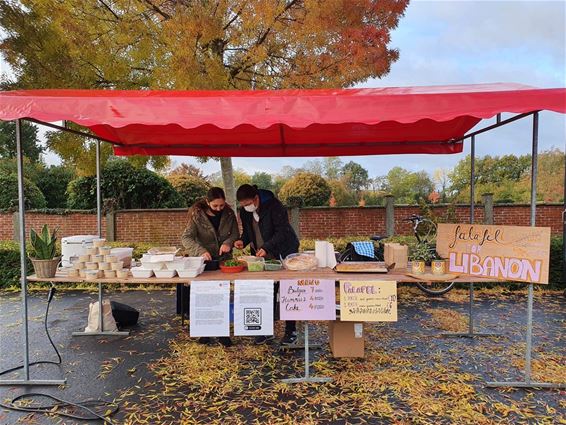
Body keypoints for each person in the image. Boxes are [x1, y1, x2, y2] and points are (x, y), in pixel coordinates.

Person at [234, 184, 300, 345]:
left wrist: (266, 247)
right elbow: (249, 232)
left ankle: (291, 331)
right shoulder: (245, 212)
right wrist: (242, 241)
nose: (246, 207)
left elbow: (282, 231)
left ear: (256, 198)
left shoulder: (275, 206)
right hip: (261, 257)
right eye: (243, 205)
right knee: (265, 291)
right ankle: (265, 329)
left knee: (287, 292)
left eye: (248, 203)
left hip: (283, 251)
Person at [181, 187, 239, 347]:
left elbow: (235, 234)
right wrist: (200, 251)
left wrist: (228, 243)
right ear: (207, 202)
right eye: (215, 206)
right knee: (204, 296)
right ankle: (205, 332)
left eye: (221, 205)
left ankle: (222, 333)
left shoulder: (229, 213)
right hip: (204, 261)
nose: (219, 209)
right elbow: (186, 238)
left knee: (222, 295)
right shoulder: (196, 215)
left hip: (223, 261)